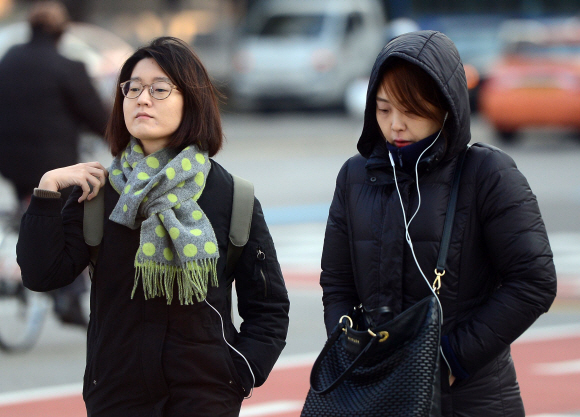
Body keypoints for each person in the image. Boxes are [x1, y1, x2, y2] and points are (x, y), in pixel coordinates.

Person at [17, 36, 290, 417]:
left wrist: (240, 371)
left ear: (191, 100)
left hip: (204, 397)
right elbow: (41, 274)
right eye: (133, 88)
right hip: (117, 396)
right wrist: (48, 191)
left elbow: (269, 307)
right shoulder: (100, 192)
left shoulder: (230, 196)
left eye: (160, 89)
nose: (142, 99)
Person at [319, 31, 556, 416]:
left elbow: (535, 280)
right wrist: (348, 345)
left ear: (445, 107)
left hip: (469, 398)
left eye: (410, 111)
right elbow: (337, 283)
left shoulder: (487, 173)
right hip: (378, 392)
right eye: (382, 110)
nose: (395, 125)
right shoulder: (355, 176)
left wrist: (449, 360)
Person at [0, 1, 109, 326]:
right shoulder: (68, 66)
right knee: (70, 213)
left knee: (30, 201)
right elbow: (96, 115)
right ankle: (69, 293)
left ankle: (26, 241)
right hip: (53, 159)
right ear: (62, 32)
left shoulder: (9, 60)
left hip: (9, 160)